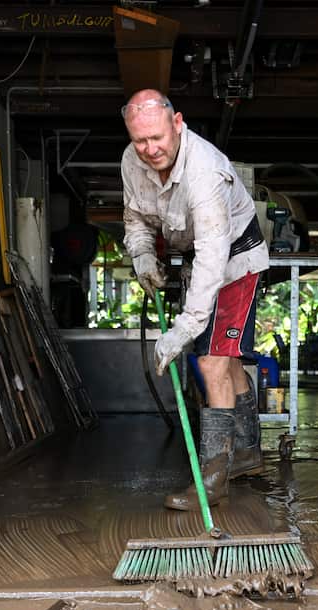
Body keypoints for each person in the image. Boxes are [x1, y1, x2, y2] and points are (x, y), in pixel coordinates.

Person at [120, 89, 269, 511]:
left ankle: (213, 480)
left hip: (234, 261)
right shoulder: (133, 161)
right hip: (200, 260)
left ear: (178, 123)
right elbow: (134, 215)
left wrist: (184, 328)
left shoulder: (204, 172)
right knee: (227, 358)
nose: (149, 150)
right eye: (140, 141)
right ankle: (246, 454)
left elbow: (212, 259)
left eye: (157, 139)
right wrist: (143, 254)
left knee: (210, 361)